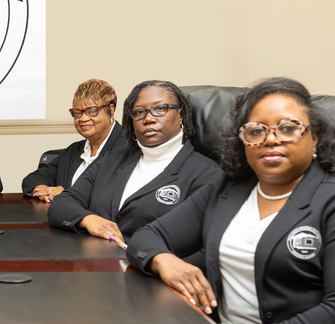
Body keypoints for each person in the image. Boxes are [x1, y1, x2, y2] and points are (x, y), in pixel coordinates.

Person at [126, 77, 335, 324]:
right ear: (243, 141)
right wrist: (166, 262)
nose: (271, 138)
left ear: (315, 136)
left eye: (288, 128)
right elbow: (147, 237)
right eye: (256, 130)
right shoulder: (228, 189)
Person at [48, 80, 222, 246]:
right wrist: (88, 219)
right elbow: (61, 204)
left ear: (181, 114)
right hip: (94, 267)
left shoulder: (208, 175)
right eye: (139, 112)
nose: (148, 119)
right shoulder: (111, 160)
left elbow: (200, 244)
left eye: (160, 109)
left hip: (151, 273)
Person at [21, 78, 124, 201]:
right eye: (77, 112)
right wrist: (45, 191)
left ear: (110, 110)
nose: (83, 118)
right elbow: (31, 179)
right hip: (64, 219)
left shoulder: (129, 148)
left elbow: (108, 195)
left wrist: (64, 195)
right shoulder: (74, 150)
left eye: (91, 111)